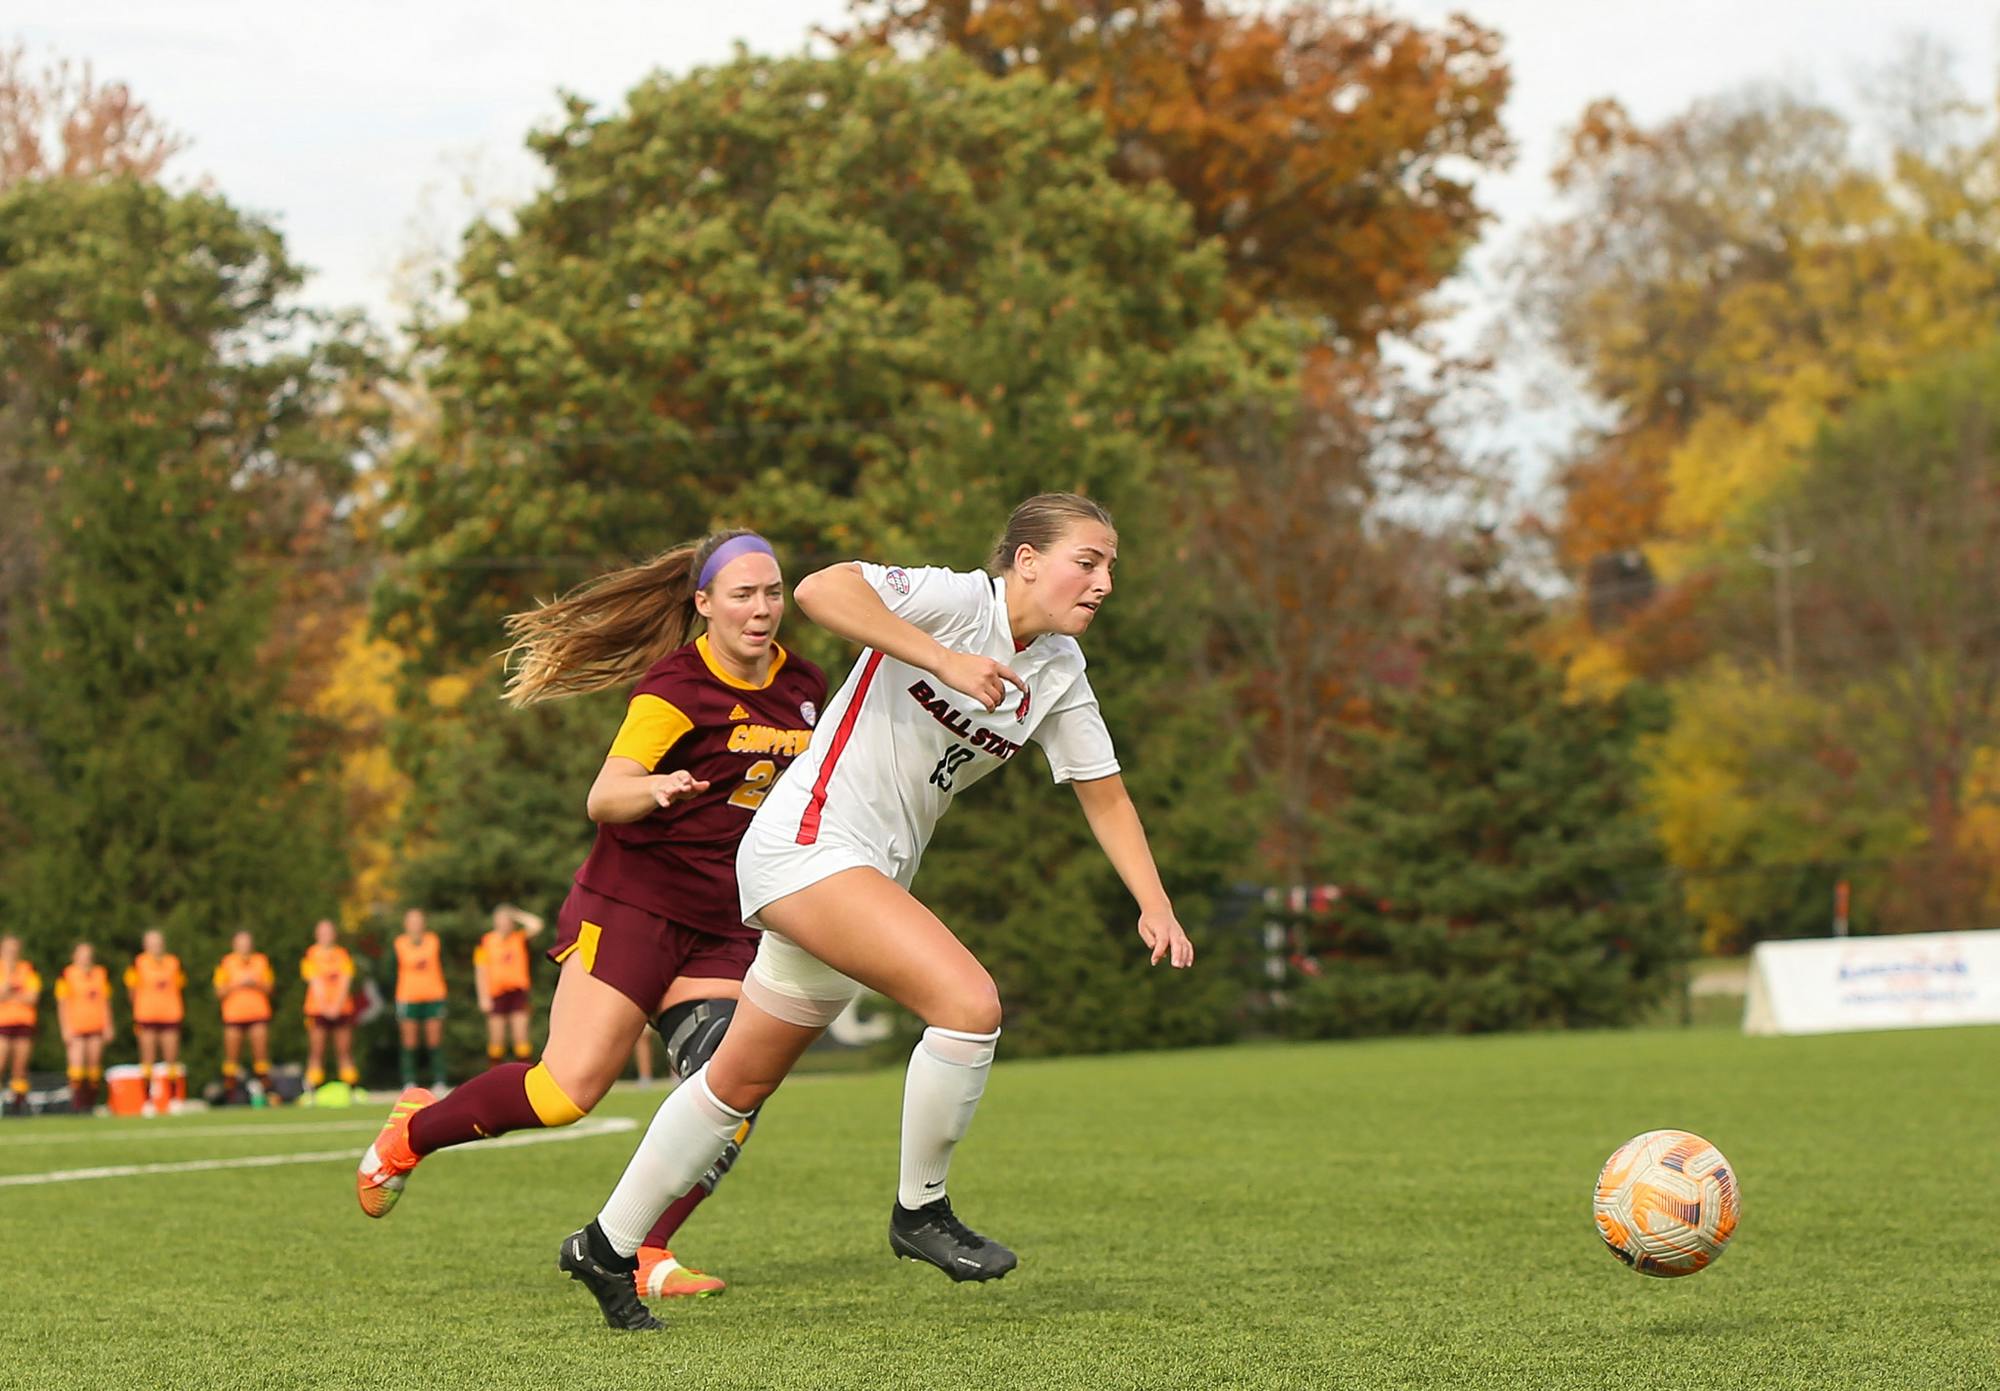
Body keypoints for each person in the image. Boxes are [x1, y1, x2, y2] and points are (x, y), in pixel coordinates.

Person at [558, 493, 1194, 1328]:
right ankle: (919, 1212)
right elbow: (823, 591)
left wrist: (1156, 904)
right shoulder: (958, 599)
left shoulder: (1060, 674)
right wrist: (946, 659)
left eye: (1112, 565)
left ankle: (604, 1244)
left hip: (860, 872)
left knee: (736, 1082)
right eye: (1090, 559)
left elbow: (1105, 798)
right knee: (969, 1004)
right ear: (1026, 561)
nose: (1106, 580)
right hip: (807, 847)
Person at [355, 528, 826, 1321]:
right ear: (703, 604)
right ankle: (413, 1131)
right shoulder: (675, 685)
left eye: (773, 591)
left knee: (733, 1087)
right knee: (565, 1090)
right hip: (632, 904)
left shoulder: (807, 684)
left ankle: (644, 1249)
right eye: (742, 593)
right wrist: (657, 788)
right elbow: (604, 797)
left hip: (723, 924)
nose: (761, 607)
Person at [125, 929, 187, 1114]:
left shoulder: (173, 963)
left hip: (170, 1015)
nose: (155, 946)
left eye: (158, 942)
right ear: (145, 945)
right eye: (151, 942)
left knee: (171, 1058)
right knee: (147, 1059)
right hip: (146, 1016)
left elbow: (180, 985)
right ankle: (147, 1102)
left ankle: (174, 1099)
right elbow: (132, 991)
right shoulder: (137, 964)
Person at [474, 904, 544, 1066]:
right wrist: (483, 997)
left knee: (521, 1037)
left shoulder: (519, 939)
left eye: (507, 920)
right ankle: (494, 1075)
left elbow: (537, 924)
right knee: (496, 1039)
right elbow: (480, 970)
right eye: (500, 919)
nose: (503, 923)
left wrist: (517, 914)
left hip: (517, 992)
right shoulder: (485, 942)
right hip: (496, 993)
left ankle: (525, 1073)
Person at [214, 930, 276, 1102]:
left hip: (258, 1014)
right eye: (241, 943)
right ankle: (230, 1096)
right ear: (234, 945)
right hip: (233, 1016)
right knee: (231, 1059)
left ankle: (267, 1093)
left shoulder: (261, 961)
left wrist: (255, 983)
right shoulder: (226, 963)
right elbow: (219, 991)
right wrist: (237, 983)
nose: (244, 946)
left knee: (261, 1057)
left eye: (247, 942)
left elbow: (270, 988)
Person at [391, 909, 449, 1091]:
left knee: (434, 1039)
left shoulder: (433, 941)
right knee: (409, 1041)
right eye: (412, 922)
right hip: (408, 997)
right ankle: (409, 1080)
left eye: (418, 921)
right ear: (405, 925)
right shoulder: (399, 943)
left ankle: (439, 1079)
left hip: (434, 995)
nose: (415, 925)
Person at [302, 920, 359, 1093]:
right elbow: (314, 982)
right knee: (316, 1051)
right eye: (322, 932)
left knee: (344, 1051)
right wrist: (325, 1007)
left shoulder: (342, 954)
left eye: (329, 932)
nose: (326, 935)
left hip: (342, 1009)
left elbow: (345, 980)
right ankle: (312, 1087)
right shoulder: (310, 954)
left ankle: (351, 1087)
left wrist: (336, 1006)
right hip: (317, 1009)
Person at [55, 942, 113, 1113]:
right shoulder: (67, 974)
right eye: (82, 954)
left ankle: (90, 1104)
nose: (85, 958)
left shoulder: (100, 974)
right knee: (77, 1065)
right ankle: (77, 1105)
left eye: (88, 955)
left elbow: (106, 1001)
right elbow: (62, 1003)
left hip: (96, 1025)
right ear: (74, 956)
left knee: (94, 1066)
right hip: (76, 1026)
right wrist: (65, 1028)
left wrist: (108, 1024)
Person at [0, 936, 40, 1116]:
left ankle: (18, 1104)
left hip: (24, 1023)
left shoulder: (27, 969)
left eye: (14, 949)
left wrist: (10, 997)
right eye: (8, 949)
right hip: (3, 1022)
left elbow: (32, 997)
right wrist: (8, 975)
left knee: (20, 1066)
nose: (11, 953)